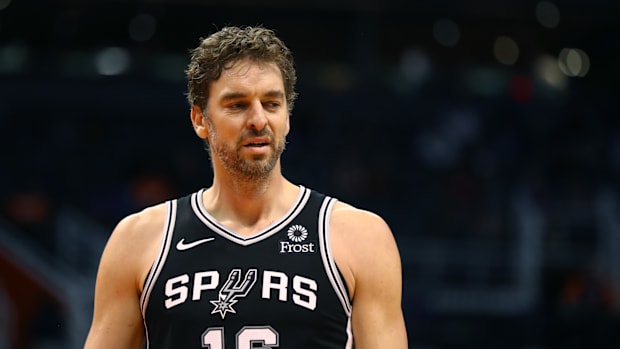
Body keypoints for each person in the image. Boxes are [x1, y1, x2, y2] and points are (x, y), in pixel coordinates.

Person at [83, 25, 408, 349]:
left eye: (271, 103)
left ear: (288, 116)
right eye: (237, 105)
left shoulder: (360, 237)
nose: (258, 120)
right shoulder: (138, 240)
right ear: (200, 119)